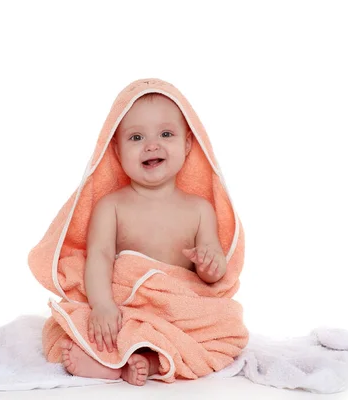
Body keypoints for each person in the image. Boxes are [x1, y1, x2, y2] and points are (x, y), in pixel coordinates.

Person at [59, 92, 228, 386]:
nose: (152, 145)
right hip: (127, 308)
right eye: (136, 137)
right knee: (88, 324)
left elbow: (212, 269)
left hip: (176, 312)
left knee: (229, 327)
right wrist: (102, 305)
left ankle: (149, 361)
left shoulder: (200, 209)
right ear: (115, 150)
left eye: (166, 133)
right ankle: (112, 361)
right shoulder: (111, 206)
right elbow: (98, 256)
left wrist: (211, 265)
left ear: (187, 144)